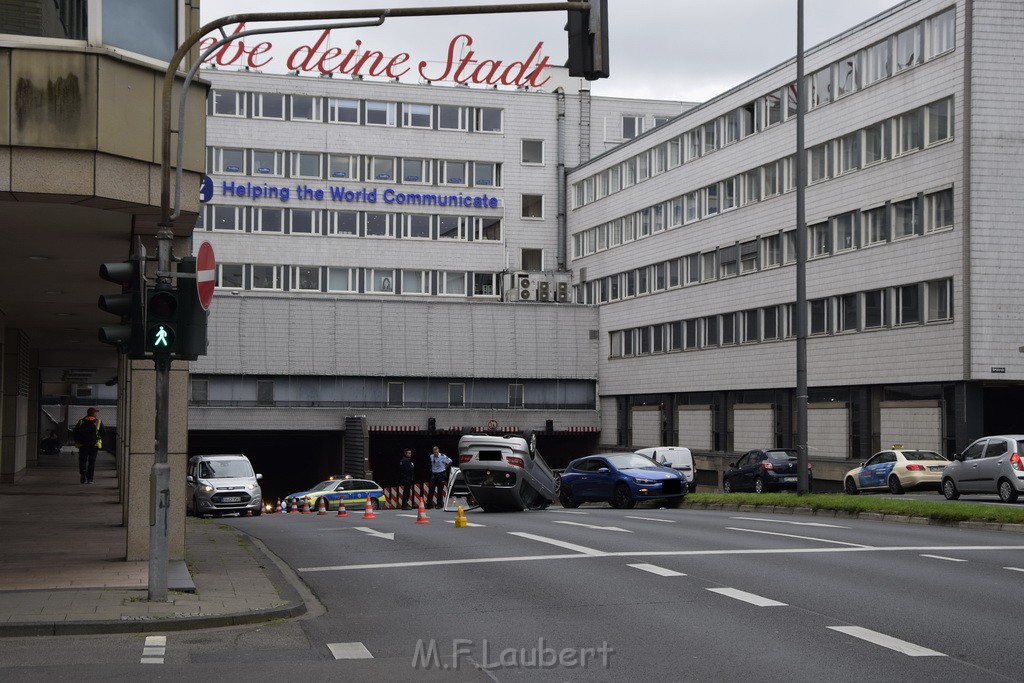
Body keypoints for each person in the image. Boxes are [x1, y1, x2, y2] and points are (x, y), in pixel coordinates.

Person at [73, 408, 102, 484]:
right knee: (92, 461)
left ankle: (83, 471)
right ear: (93, 413)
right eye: (96, 412)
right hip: (94, 445)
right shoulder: (98, 422)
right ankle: (90, 479)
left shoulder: (81, 421)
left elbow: (75, 432)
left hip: (83, 445)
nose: (96, 414)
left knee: (82, 460)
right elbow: (104, 433)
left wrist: (77, 441)